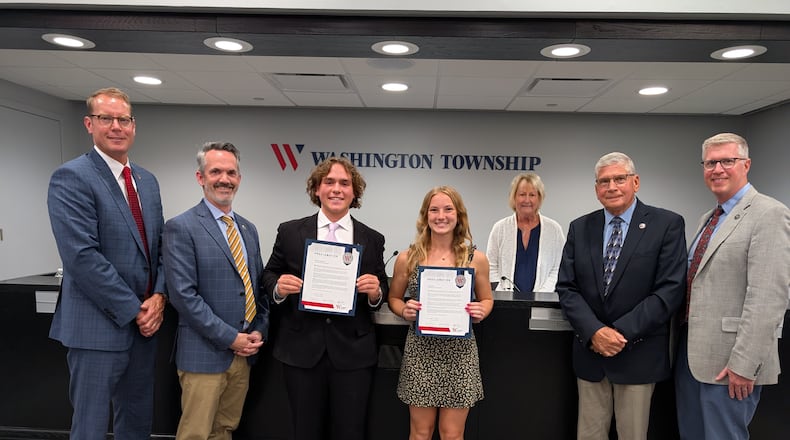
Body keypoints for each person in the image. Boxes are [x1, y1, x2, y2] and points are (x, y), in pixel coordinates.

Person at [46, 87, 167, 439]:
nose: (116, 126)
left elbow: (159, 249)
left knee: (137, 423)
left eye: (123, 119)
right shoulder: (72, 177)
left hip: (144, 330)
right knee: (91, 427)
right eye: (106, 118)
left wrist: (159, 298)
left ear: (133, 126)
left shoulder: (147, 181)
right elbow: (82, 258)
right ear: (89, 124)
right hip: (97, 328)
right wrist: (135, 310)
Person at [556, 152, 687, 440]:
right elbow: (567, 288)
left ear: (635, 182)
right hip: (591, 354)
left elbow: (669, 290)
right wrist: (596, 332)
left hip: (636, 353)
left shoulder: (666, 224)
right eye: (604, 181)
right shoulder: (581, 227)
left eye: (619, 179)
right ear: (596, 189)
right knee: (589, 435)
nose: (612, 187)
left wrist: (618, 333)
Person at [262, 156, 389, 440]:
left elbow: (382, 286)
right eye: (328, 182)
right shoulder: (290, 231)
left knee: (350, 431)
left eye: (345, 183)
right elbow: (269, 274)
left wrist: (376, 291)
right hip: (301, 350)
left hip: (353, 353)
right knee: (305, 431)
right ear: (316, 189)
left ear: (354, 192)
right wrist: (279, 288)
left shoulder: (372, 238)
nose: (336, 189)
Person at [675, 133, 790, 440]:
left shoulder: (769, 214)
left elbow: (768, 297)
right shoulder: (708, 218)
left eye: (728, 161)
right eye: (711, 162)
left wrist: (744, 364)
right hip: (694, 358)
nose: (718, 169)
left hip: (731, 365)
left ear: (746, 165)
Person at [163, 142, 269, 439]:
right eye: (216, 171)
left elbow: (256, 288)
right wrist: (230, 338)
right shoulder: (181, 227)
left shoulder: (247, 229)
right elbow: (183, 296)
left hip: (244, 353)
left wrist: (259, 329)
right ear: (201, 177)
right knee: (196, 433)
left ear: (239, 178)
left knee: (224, 429)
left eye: (231, 172)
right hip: (205, 354)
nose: (225, 178)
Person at [387, 186, 494, 440]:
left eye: (448, 209)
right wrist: (405, 310)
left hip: (460, 355)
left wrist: (482, 310)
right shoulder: (408, 258)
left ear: (459, 215)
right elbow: (393, 298)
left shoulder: (475, 259)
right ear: (425, 216)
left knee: (453, 434)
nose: (441, 216)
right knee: (420, 432)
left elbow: (487, 299)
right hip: (421, 353)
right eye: (434, 210)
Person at [487, 173, 565, 292]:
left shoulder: (554, 230)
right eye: (522, 194)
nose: (527, 200)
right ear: (514, 197)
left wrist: (540, 296)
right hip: (505, 302)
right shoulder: (500, 228)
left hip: (543, 302)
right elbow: (491, 266)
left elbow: (558, 268)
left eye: (532, 195)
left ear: (539, 198)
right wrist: (503, 294)